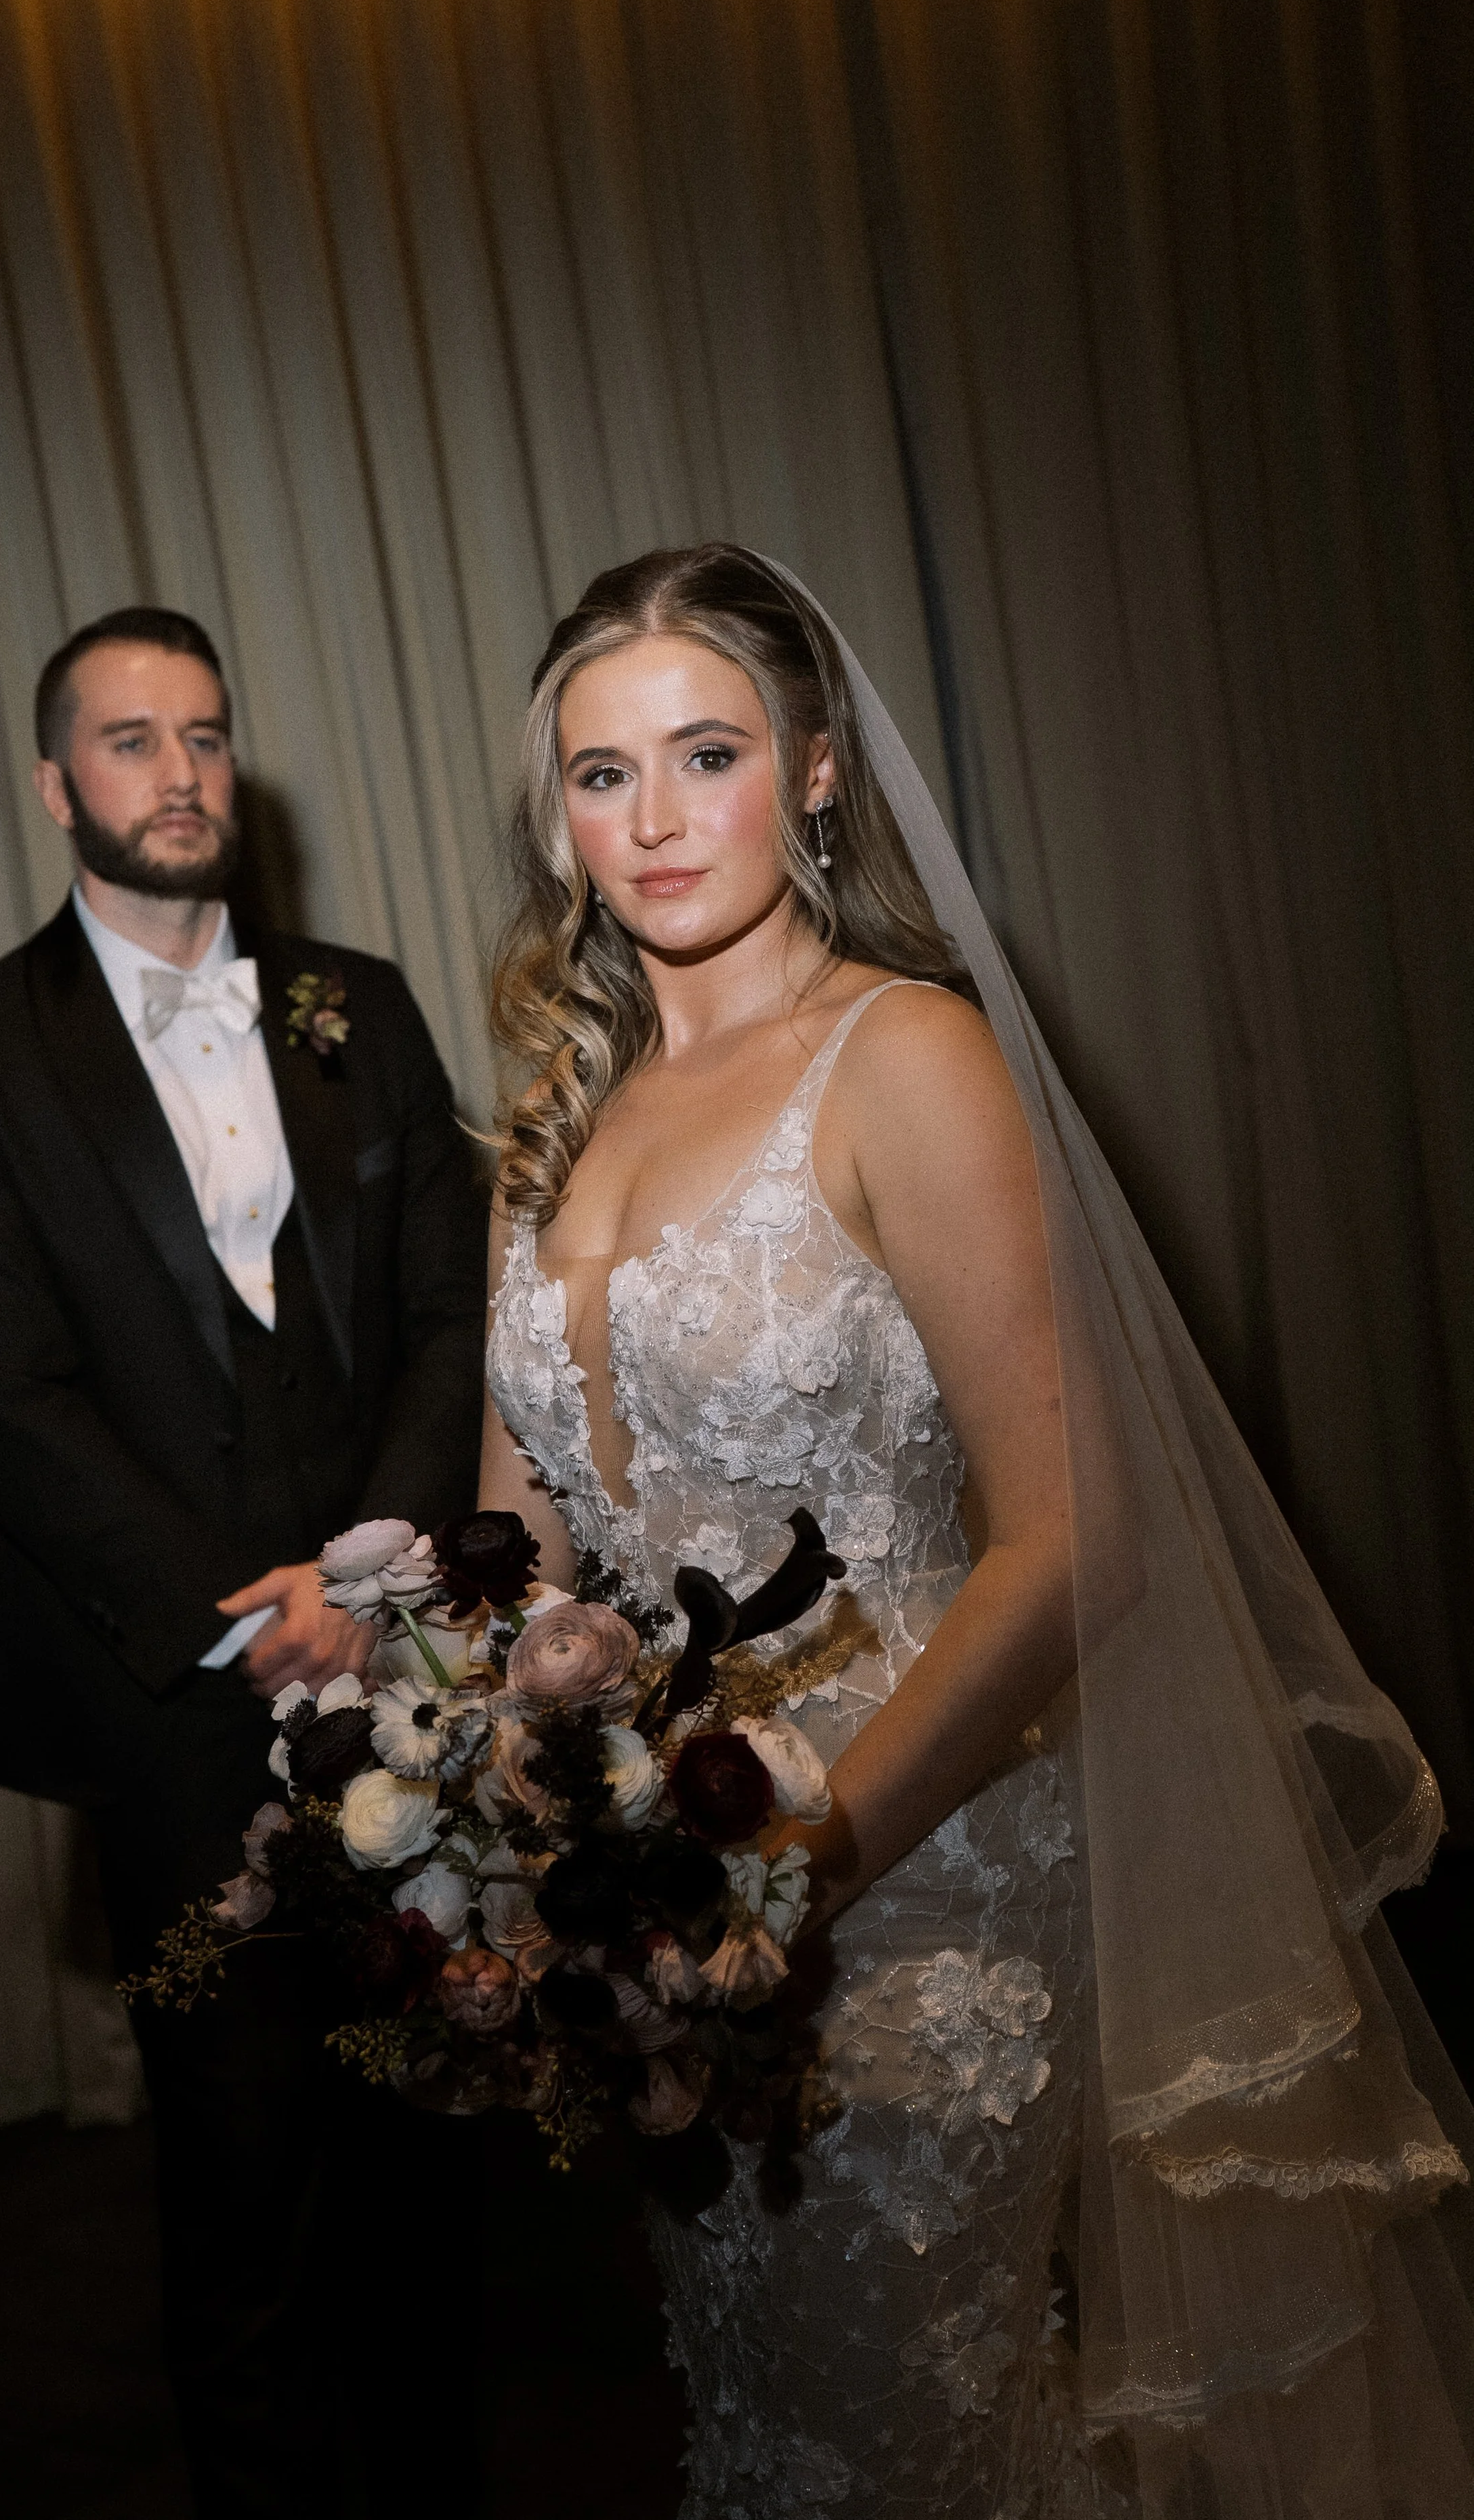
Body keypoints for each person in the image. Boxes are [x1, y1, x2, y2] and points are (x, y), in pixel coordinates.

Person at [480, 543, 1474, 2516]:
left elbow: (1072, 1545)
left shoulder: (900, 1058)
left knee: (900, 2442)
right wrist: (474, 1740)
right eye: (602, 776)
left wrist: (796, 1874)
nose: (655, 819)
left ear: (820, 769)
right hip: (664, 1915)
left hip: (917, 1880)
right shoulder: (551, 1113)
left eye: (707, 752)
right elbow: (520, 1550)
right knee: (757, 2420)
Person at [0, 606, 486, 2517]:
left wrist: (367, 1576)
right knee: (239, 2153)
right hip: (167, 1694)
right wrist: (244, 1621)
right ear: (57, 784)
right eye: (132, 741)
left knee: (420, 2112)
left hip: (397, 1655)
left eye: (207, 735)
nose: (182, 774)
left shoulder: (362, 1006)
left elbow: (447, 1316)